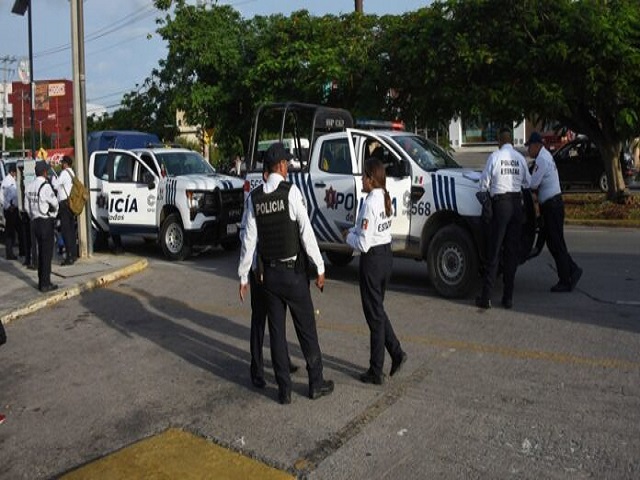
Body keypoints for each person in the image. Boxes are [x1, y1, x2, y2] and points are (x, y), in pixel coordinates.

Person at [238, 142, 333, 405]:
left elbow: (248, 240)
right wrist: (320, 267)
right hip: (293, 276)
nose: (289, 168)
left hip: (269, 277)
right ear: (280, 166)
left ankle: (284, 390)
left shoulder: (254, 198)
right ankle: (316, 383)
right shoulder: (291, 193)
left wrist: (243, 276)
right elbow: (306, 232)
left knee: (276, 333)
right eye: (287, 164)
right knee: (306, 330)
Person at [344, 157, 407, 385]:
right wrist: (354, 230)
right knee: (378, 311)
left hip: (373, 261)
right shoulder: (382, 197)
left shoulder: (370, 202)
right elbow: (366, 229)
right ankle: (396, 352)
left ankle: (376, 369)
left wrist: (347, 237)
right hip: (385, 256)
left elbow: (363, 243)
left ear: (371, 179)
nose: (361, 179)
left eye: (364, 176)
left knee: (374, 316)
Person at [243, 167, 298, 389]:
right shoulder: (254, 201)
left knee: (277, 320)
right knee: (259, 320)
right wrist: (247, 272)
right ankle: (256, 369)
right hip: (259, 269)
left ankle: (282, 361)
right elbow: (247, 237)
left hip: (272, 269)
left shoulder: (269, 200)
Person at [476, 127, 531, 309]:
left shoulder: (495, 157)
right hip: (516, 205)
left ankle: (486, 298)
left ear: (500, 141)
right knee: (511, 253)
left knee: (494, 252)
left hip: (500, 206)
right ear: (512, 141)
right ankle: (508, 298)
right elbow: (528, 183)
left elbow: (483, 184)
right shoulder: (520, 158)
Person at [526, 132, 582, 292]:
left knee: (556, 243)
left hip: (552, 206)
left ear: (537, 145)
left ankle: (566, 279)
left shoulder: (542, 160)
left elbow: (533, 183)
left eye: (529, 146)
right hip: (552, 205)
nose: (528, 150)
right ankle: (572, 270)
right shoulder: (544, 157)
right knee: (554, 242)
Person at [26, 161, 59, 293]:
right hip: (45, 222)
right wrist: (54, 214)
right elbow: (55, 203)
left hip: (35, 222)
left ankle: (41, 281)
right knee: (46, 254)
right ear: (45, 172)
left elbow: (27, 207)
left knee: (40, 253)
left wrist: (33, 216)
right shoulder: (45, 187)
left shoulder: (29, 186)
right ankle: (45, 283)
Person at [51, 155, 77, 265]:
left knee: (65, 231)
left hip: (64, 205)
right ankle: (73, 254)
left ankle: (69, 257)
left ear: (66, 164)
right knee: (71, 230)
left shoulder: (65, 173)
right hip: (70, 204)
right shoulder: (72, 173)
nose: (61, 164)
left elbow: (56, 186)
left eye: (62, 163)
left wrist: (53, 179)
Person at [1, 164, 20, 260]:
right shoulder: (7, 181)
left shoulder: (13, 180)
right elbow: (1, 196)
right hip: (10, 210)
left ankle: (21, 251)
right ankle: (9, 253)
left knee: (17, 231)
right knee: (9, 232)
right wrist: (9, 206)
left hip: (15, 209)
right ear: (12, 172)